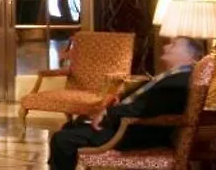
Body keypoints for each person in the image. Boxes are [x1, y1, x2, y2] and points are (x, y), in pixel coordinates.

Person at [47, 37, 206, 170]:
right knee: (72, 125)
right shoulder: (172, 76)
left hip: (134, 131)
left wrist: (109, 113)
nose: (166, 47)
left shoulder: (178, 81)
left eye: (174, 45)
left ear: (191, 56)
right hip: (128, 126)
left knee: (62, 139)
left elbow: (146, 108)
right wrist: (119, 98)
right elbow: (143, 99)